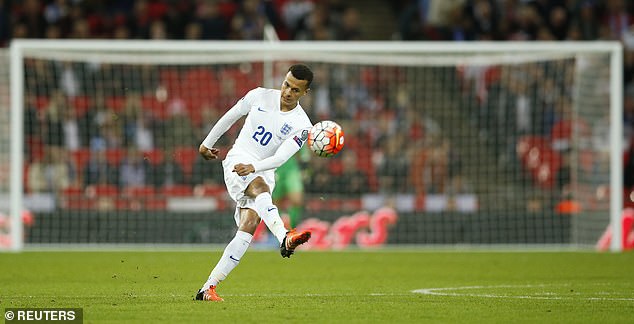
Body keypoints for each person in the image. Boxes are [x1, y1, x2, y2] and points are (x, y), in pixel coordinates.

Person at [195, 64, 314, 302]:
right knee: (260, 188)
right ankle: (284, 237)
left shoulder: (303, 126)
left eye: (295, 90)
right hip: (238, 161)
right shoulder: (259, 95)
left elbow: (280, 158)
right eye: (286, 84)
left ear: (304, 93)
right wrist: (206, 143)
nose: (288, 92)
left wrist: (255, 167)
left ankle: (207, 288)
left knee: (249, 225)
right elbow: (231, 115)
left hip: (263, 170)